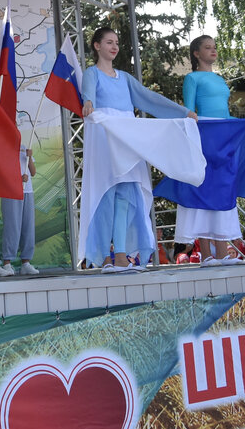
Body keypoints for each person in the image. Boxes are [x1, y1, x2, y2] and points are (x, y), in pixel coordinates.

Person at [80, 26, 196, 271]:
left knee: (125, 194)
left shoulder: (124, 78)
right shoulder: (92, 73)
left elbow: (148, 98)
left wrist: (183, 113)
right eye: (109, 42)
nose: (114, 47)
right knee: (106, 194)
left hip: (128, 137)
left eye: (117, 43)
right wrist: (88, 101)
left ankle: (121, 253)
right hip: (105, 136)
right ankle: (102, 255)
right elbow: (87, 93)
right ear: (96, 46)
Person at [176, 35, 243, 266]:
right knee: (203, 189)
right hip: (205, 135)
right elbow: (189, 111)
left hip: (223, 134)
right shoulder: (192, 78)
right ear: (196, 53)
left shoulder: (221, 79)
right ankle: (206, 254)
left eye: (214, 47)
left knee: (222, 189)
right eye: (207, 47)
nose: (213, 51)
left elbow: (223, 111)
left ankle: (223, 252)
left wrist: (238, 125)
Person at [0, 146, 40, 276]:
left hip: (27, 192)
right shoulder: (3, 148)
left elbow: (33, 172)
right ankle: (7, 263)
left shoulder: (24, 148)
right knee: (12, 227)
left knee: (28, 227)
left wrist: (30, 158)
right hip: (10, 192)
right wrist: (17, 179)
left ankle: (26, 263)